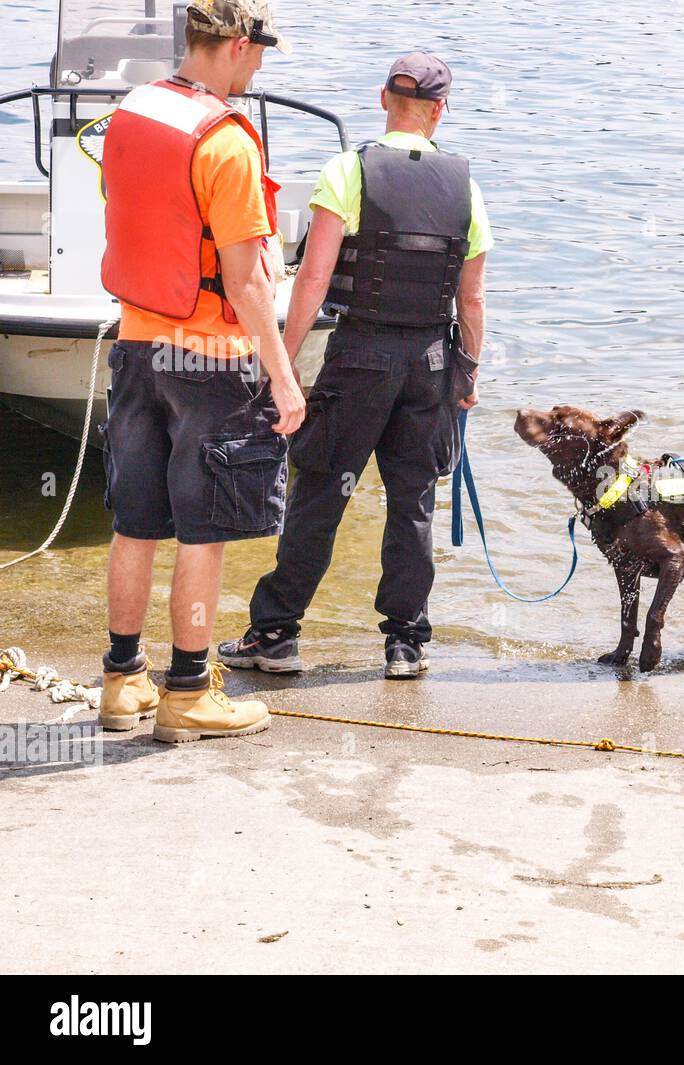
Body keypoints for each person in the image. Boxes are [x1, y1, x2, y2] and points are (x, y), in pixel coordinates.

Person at [218, 52, 492, 679]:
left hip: (359, 357)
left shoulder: (349, 169)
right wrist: (467, 373)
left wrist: (280, 364)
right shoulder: (466, 186)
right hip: (429, 361)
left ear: (382, 99)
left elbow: (314, 278)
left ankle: (276, 634)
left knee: (320, 491)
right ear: (440, 109)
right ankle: (405, 643)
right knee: (413, 500)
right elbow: (471, 299)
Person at [97, 0, 305, 742]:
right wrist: (283, 377)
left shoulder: (133, 112)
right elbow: (248, 284)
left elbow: (127, 209)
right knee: (203, 530)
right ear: (238, 44)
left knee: (134, 522)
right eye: (259, 53)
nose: (260, 67)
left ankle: (122, 682)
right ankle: (188, 691)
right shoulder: (228, 143)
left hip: (135, 342)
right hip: (210, 360)